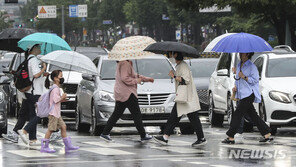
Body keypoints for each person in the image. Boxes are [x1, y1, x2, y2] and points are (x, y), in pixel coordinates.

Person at [153, 52, 206, 147]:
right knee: (179, 117)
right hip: (184, 97)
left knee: (186, 117)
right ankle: (166, 137)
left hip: (186, 97)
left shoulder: (183, 66)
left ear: (176, 55)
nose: (171, 56)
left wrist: (173, 76)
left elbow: (186, 80)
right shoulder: (180, 65)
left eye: (172, 54)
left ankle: (166, 137)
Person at [222, 52, 273, 144]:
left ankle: (230, 137)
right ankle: (266, 134)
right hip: (242, 94)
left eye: (242, 53)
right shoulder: (239, 64)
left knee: (237, 114)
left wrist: (244, 77)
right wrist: (235, 86)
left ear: (248, 54)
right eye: (240, 53)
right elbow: (238, 80)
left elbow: (255, 80)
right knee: (253, 115)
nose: (240, 54)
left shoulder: (251, 67)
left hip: (249, 94)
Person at [100, 60, 154, 142]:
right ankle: (143, 135)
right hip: (128, 93)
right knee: (136, 115)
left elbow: (132, 75)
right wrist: (137, 81)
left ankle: (105, 133)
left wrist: (145, 79)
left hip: (121, 92)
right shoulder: (125, 63)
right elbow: (125, 78)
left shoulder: (122, 63)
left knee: (116, 114)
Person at [40, 70, 79, 153]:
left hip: (57, 113)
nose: (62, 78)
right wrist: (62, 97)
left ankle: (68, 145)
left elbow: (56, 100)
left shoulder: (57, 88)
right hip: (53, 113)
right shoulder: (55, 89)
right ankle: (44, 146)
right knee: (50, 130)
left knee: (63, 127)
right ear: (55, 78)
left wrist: (63, 99)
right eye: (60, 76)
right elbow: (55, 100)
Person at [17, 44, 48, 146]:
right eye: (38, 47)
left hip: (29, 92)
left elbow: (34, 75)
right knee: (40, 113)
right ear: (34, 49)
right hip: (35, 92)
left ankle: (32, 139)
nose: (40, 49)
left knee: (32, 115)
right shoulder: (34, 60)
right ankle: (24, 131)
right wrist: (44, 68)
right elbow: (35, 74)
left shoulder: (29, 59)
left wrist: (43, 73)